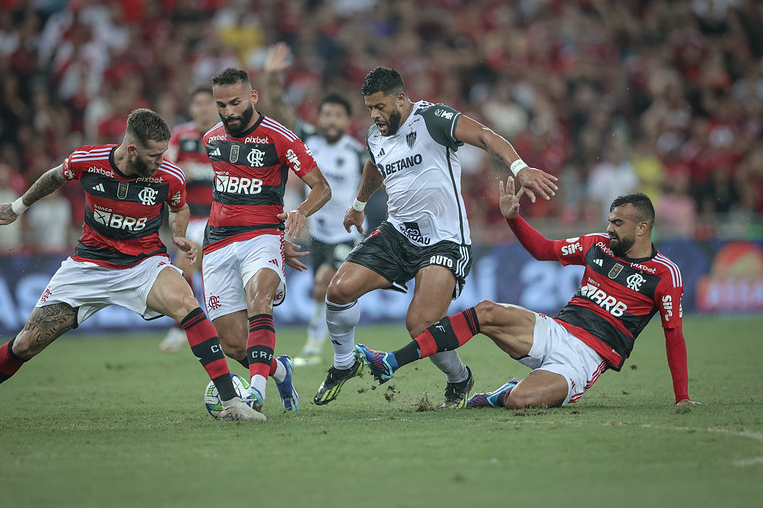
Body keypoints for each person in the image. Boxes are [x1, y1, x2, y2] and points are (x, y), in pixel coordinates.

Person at [0, 108, 265, 422]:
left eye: (163, 154)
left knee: (189, 304)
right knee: (26, 343)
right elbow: (53, 177)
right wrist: (17, 207)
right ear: (131, 149)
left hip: (143, 264)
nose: (160, 161)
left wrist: (178, 234)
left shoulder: (169, 176)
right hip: (88, 266)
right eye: (153, 155)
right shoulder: (88, 162)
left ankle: (232, 403)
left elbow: (180, 207)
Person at [313, 67, 558, 408]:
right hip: (397, 232)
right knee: (337, 291)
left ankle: (460, 378)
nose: (374, 115)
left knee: (421, 323)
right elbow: (374, 165)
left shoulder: (432, 118)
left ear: (401, 98)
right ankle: (344, 363)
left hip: (443, 240)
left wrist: (520, 168)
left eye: (380, 107)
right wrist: (359, 204)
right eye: (369, 108)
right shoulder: (374, 135)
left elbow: (486, 135)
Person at [356, 181, 700, 409]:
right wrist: (514, 219)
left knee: (523, 401)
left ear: (642, 227)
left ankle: (501, 394)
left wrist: (682, 398)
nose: (609, 227)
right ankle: (390, 362)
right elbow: (544, 249)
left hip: (583, 360)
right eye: (609, 220)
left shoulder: (665, 275)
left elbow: (675, 336)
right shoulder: (597, 245)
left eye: (618, 223)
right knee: (487, 311)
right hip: (557, 330)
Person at [201, 68, 331, 411]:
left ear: (252, 97)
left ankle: (255, 392)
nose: (228, 111)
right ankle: (278, 370)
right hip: (216, 243)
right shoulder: (212, 139)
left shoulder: (280, 137)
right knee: (231, 344)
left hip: (262, 236)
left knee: (260, 299)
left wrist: (299, 212)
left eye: (235, 102)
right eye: (221, 104)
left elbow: (322, 187)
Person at [261, 43, 369, 367]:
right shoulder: (308, 139)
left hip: (346, 236)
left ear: (348, 120)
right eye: (326, 114)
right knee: (321, 291)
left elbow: (377, 183)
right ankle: (340, 343)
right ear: (319, 118)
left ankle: (313, 345)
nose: (331, 119)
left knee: (324, 282)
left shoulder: (358, 152)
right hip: (317, 235)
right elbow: (281, 112)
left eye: (338, 114)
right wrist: (270, 78)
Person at [158, 86, 218, 353]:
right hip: (191, 217)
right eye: (199, 103)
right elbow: (162, 167)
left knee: (197, 271)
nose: (204, 107)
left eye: (208, 103)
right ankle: (183, 325)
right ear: (192, 109)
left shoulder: (226, 137)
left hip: (221, 217)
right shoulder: (181, 136)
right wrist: (178, 171)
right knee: (185, 267)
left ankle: (187, 326)